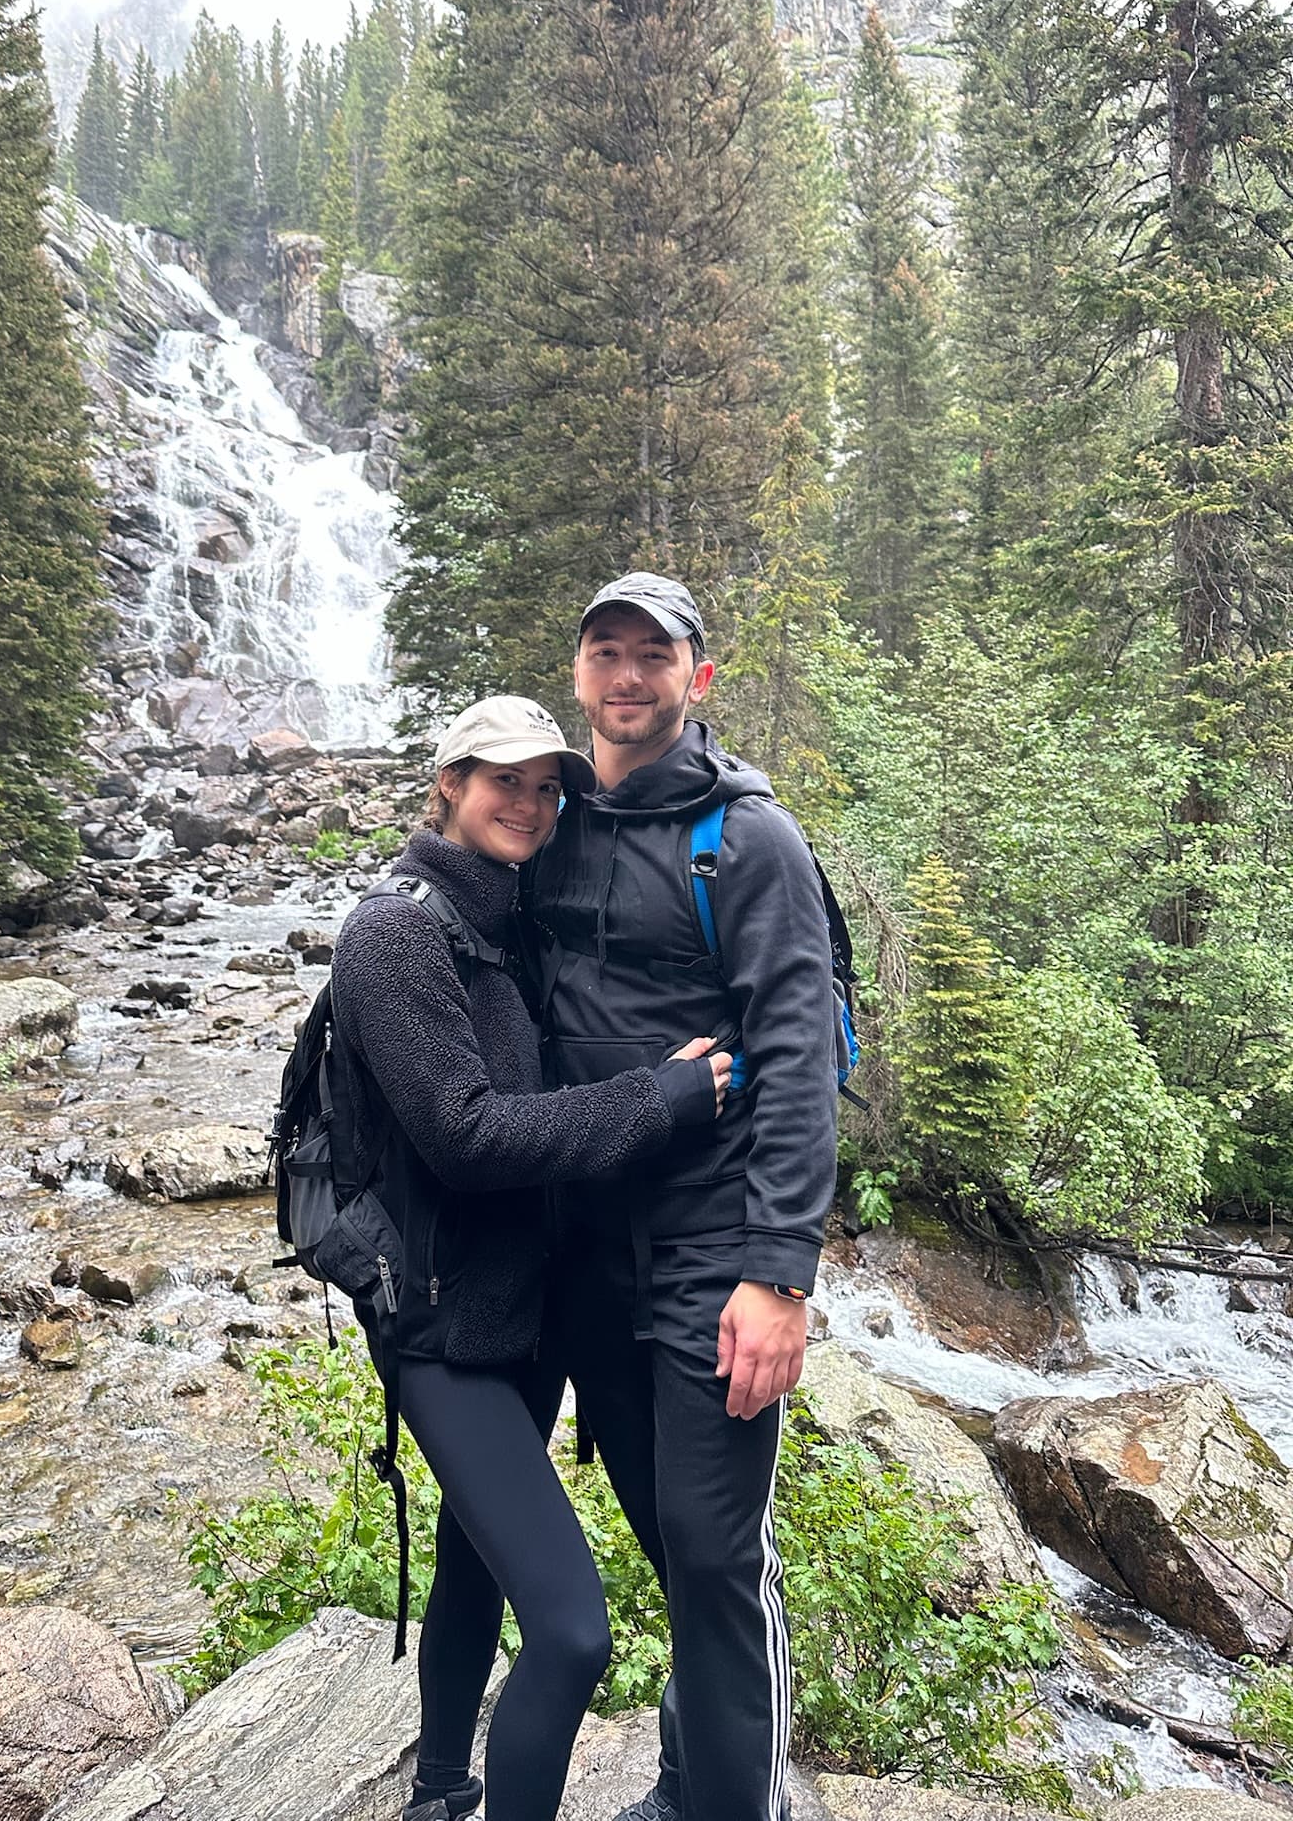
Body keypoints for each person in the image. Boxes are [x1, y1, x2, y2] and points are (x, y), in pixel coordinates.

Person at [330, 693, 733, 1821]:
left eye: (549, 785)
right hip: (441, 1324)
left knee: (472, 1559)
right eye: (505, 778)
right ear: (449, 781)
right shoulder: (392, 934)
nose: (531, 801)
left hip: (527, 1306)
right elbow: (463, 1136)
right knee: (569, 1626)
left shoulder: (513, 915)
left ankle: (439, 1790)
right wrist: (653, 1099)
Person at [526, 574, 839, 1821]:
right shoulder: (552, 817)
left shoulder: (746, 839)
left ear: (697, 676)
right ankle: (685, 1777)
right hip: (590, 1251)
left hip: (717, 1247)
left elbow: (802, 1059)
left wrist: (780, 1273)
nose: (629, 674)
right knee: (666, 1534)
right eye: (607, 650)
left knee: (715, 1555)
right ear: (580, 671)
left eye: (654, 654)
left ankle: (736, 1804)